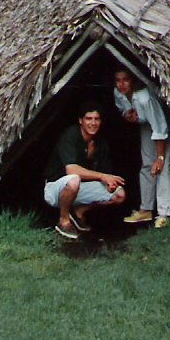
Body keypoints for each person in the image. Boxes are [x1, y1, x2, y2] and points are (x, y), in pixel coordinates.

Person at [43, 101, 127, 239]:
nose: (93, 123)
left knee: (119, 194)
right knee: (73, 179)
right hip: (55, 189)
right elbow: (71, 170)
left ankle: (78, 212)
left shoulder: (100, 143)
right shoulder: (70, 135)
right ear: (80, 121)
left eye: (97, 119)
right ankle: (63, 221)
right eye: (89, 118)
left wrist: (109, 182)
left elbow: (106, 174)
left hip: (79, 189)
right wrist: (102, 176)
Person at [114, 69, 170, 229]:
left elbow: (160, 127)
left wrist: (160, 157)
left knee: (162, 167)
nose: (121, 84)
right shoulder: (118, 93)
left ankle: (164, 214)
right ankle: (146, 209)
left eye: (125, 80)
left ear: (133, 81)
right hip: (147, 124)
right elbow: (123, 109)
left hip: (165, 124)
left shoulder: (145, 98)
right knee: (147, 164)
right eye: (118, 80)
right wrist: (127, 115)